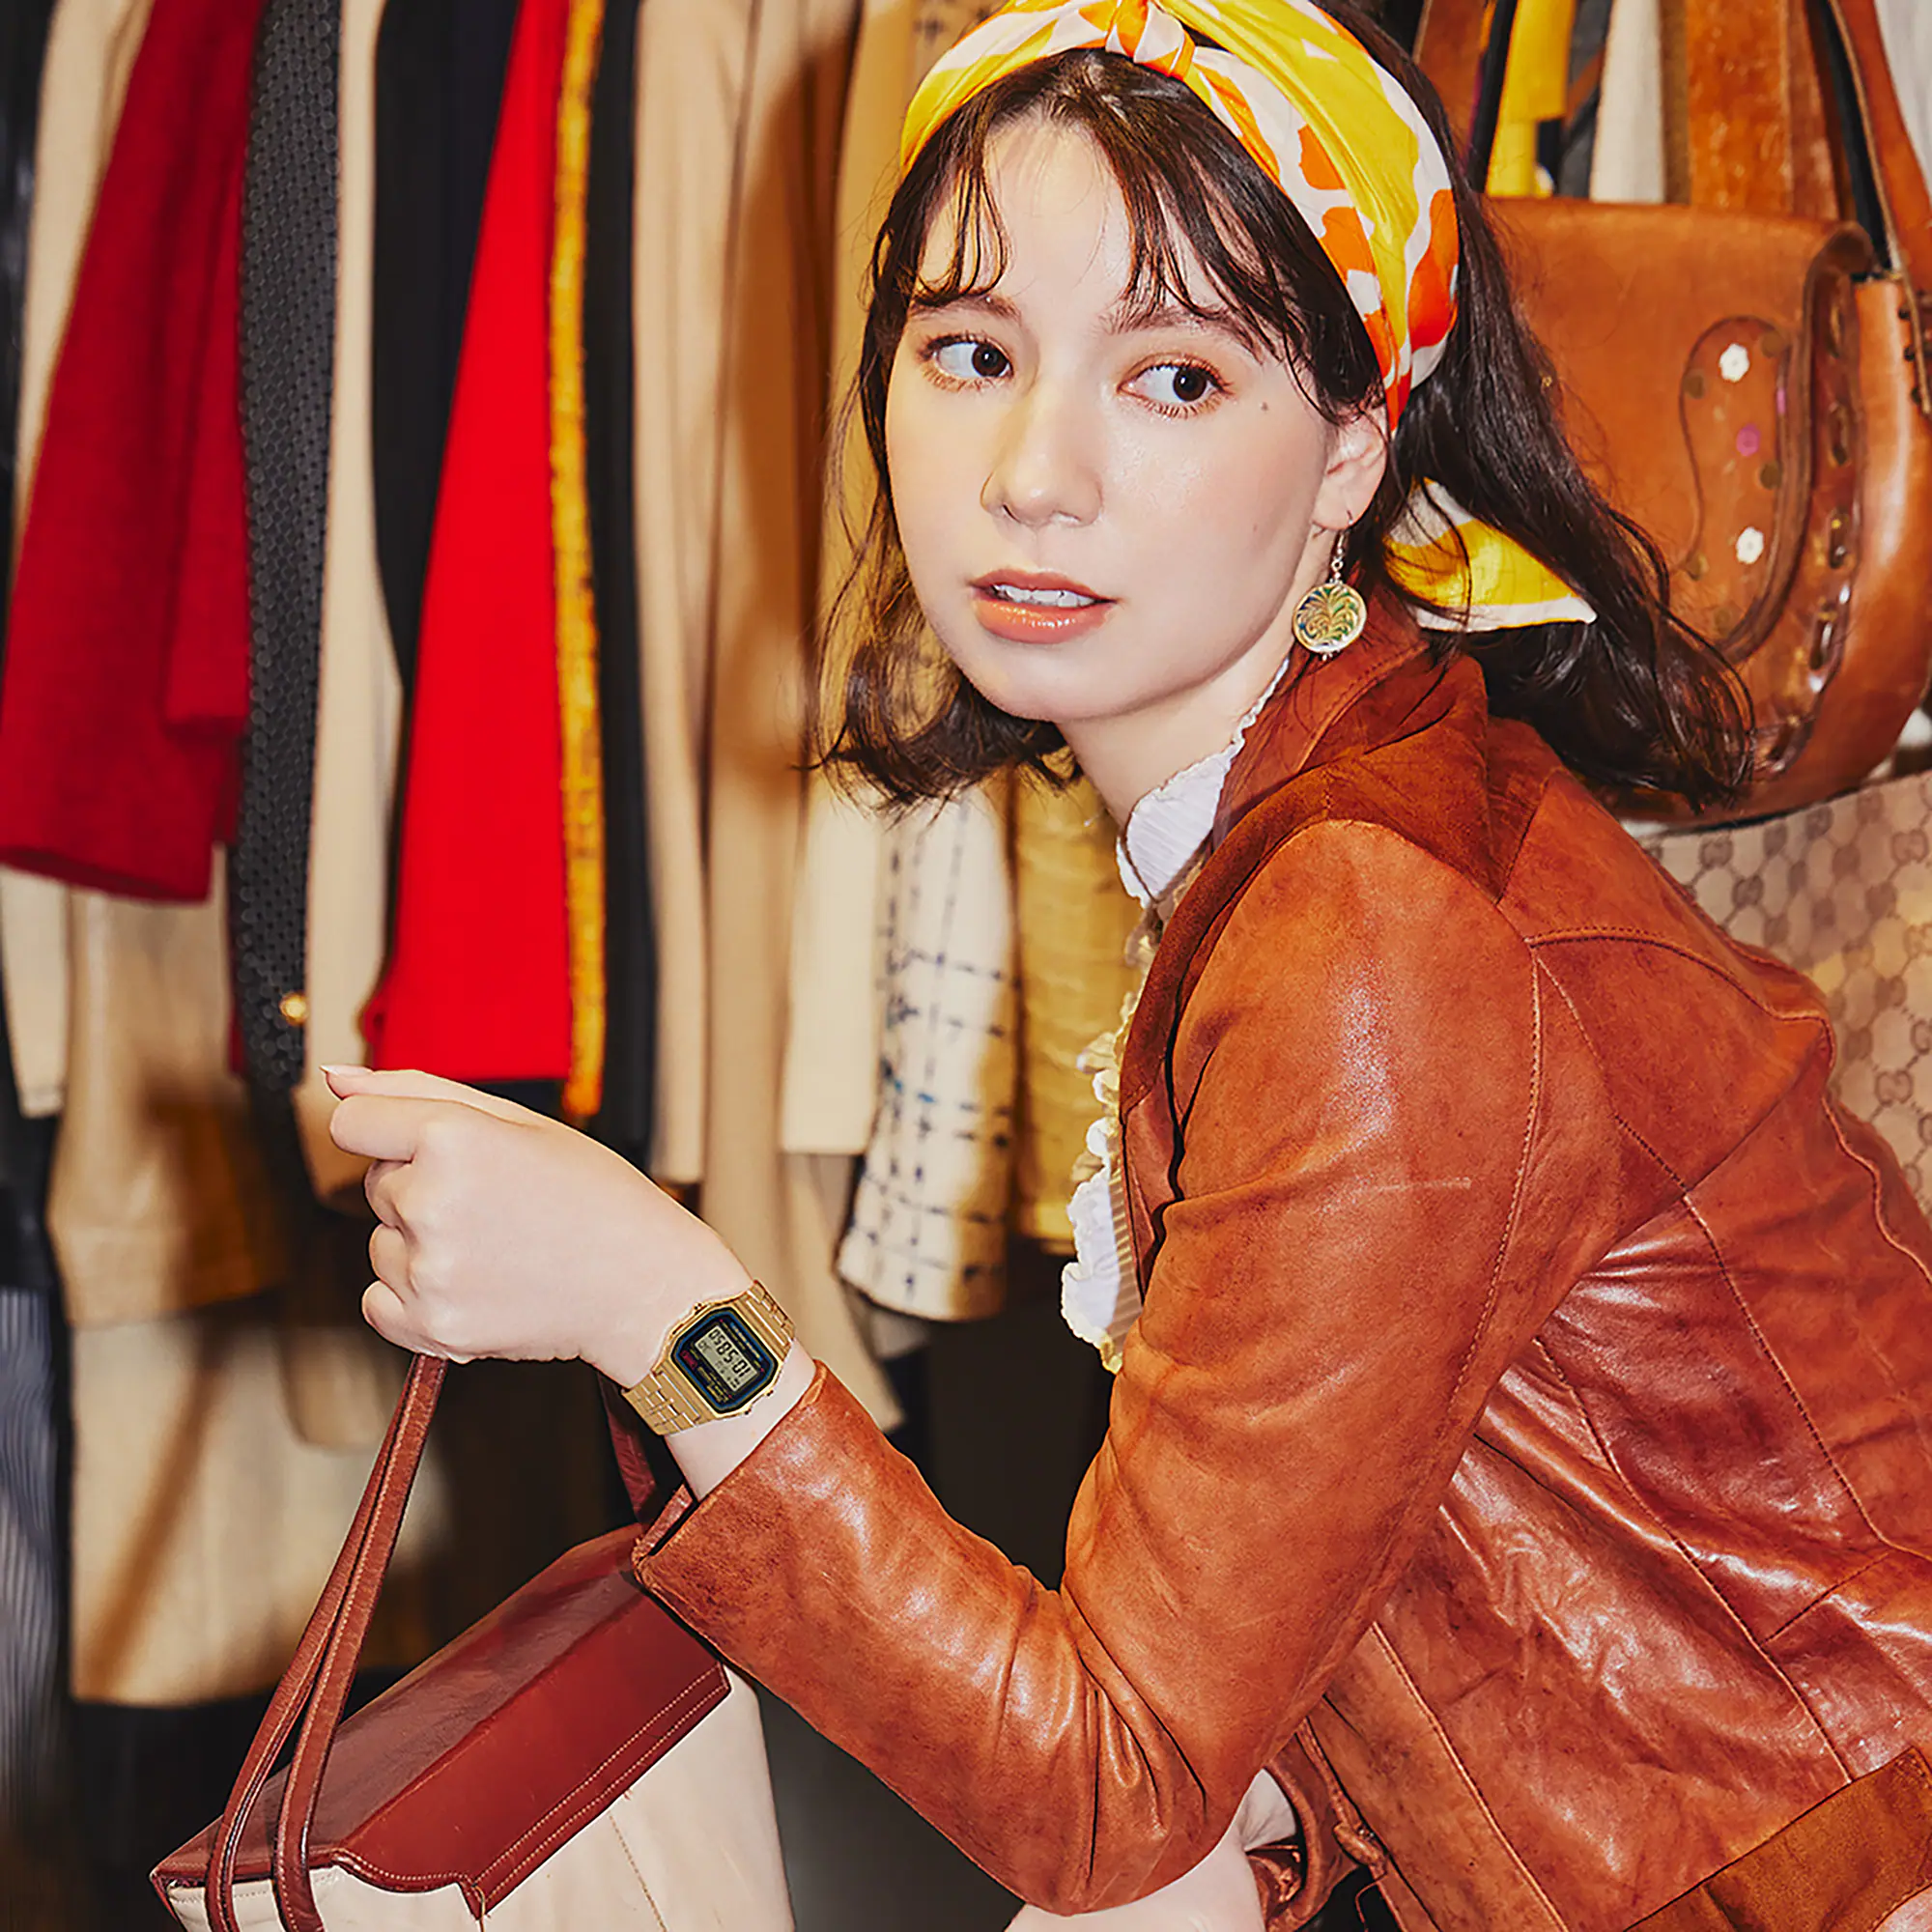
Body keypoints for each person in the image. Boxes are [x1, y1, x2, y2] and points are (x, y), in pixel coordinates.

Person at [324, 3, 1932, 1926]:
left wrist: (662, 1302)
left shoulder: (1372, 936)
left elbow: (1108, 1788)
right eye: (973, 351)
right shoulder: (1348, 791)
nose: (1033, 471)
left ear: (1351, 447)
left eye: (1173, 377)